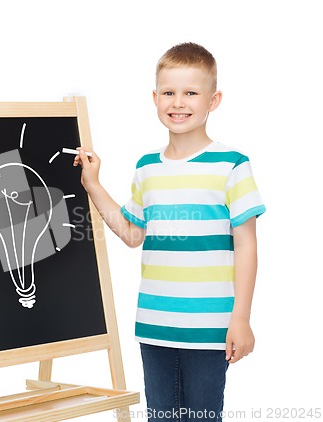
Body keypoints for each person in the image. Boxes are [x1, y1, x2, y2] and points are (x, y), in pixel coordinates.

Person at [73, 42, 265, 421]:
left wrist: (240, 318)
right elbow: (131, 234)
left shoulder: (232, 165)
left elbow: (246, 244)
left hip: (209, 329)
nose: (179, 102)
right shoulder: (147, 167)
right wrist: (93, 185)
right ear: (155, 97)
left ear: (213, 100)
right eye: (169, 93)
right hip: (155, 327)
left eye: (191, 93)